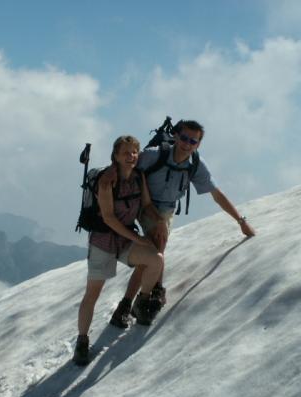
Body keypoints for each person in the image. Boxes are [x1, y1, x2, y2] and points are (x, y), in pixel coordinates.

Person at [105, 120, 256, 326]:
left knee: (153, 254)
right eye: (184, 138)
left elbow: (217, 194)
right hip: (142, 204)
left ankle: (136, 300)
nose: (187, 144)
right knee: (155, 249)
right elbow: (127, 166)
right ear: (176, 136)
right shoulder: (155, 154)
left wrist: (241, 221)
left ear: (198, 144)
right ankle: (143, 299)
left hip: (167, 209)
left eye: (193, 141)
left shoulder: (195, 164)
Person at [74, 135, 164, 366]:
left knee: (155, 260)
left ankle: (140, 303)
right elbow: (109, 218)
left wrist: (159, 221)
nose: (131, 156)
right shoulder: (107, 181)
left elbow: (145, 205)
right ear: (115, 155)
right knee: (92, 294)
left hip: (124, 240)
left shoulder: (138, 177)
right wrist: (139, 238)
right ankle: (82, 341)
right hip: (103, 242)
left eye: (134, 152)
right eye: (126, 152)